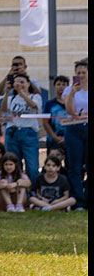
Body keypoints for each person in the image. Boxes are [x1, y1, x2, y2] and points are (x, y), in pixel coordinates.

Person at [0, 73, 42, 180]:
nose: (19, 84)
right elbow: (3, 109)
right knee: (13, 164)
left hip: (29, 133)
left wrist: (22, 94)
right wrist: (7, 92)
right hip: (12, 132)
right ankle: (16, 188)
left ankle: (32, 190)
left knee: (32, 166)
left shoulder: (35, 97)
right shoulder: (12, 98)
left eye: (22, 82)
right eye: (16, 82)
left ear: (28, 84)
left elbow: (34, 106)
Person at [62, 58, 88, 210]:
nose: (81, 75)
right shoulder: (69, 90)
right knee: (75, 166)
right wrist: (72, 94)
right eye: (78, 73)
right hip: (74, 129)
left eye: (83, 72)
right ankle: (78, 200)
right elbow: (70, 111)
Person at [42, 75, 69, 151]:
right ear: (54, 86)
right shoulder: (49, 104)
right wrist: (55, 137)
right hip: (52, 140)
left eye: (64, 84)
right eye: (58, 84)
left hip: (69, 139)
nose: (61, 87)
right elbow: (45, 122)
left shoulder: (72, 103)